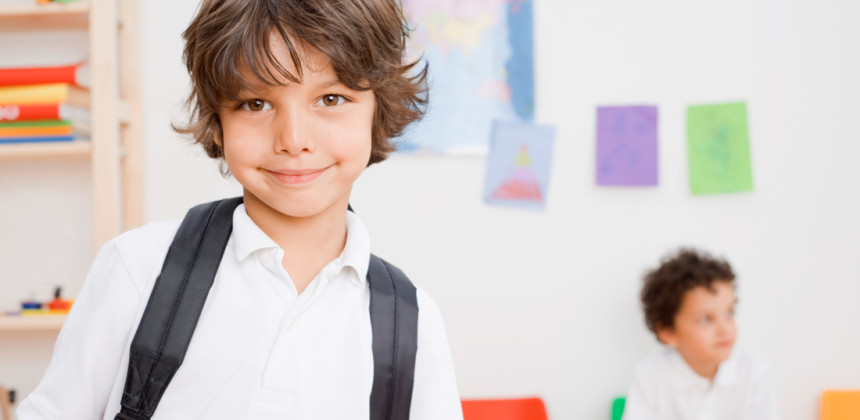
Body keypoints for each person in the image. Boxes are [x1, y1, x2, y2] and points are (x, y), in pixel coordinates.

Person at [17, 0, 462, 418]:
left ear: (377, 109)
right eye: (256, 103)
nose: (293, 139)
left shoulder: (412, 321)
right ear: (217, 122)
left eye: (331, 100)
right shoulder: (139, 269)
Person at [622, 248, 779, 420]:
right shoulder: (650, 376)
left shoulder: (753, 372)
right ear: (668, 332)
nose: (724, 329)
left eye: (729, 313)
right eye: (705, 319)